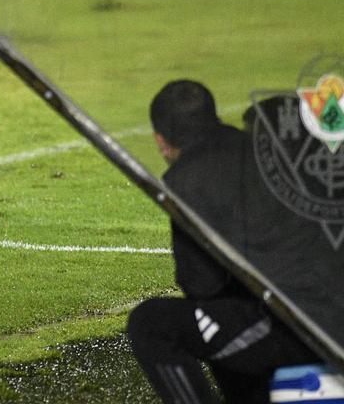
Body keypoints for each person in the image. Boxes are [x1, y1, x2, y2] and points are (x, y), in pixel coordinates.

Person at [127, 80, 320, 403]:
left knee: (152, 324)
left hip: (293, 327)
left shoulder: (184, 179)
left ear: (161, 141)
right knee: (222, 320)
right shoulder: (259, 151)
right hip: (324, 312)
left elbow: (201, 283)